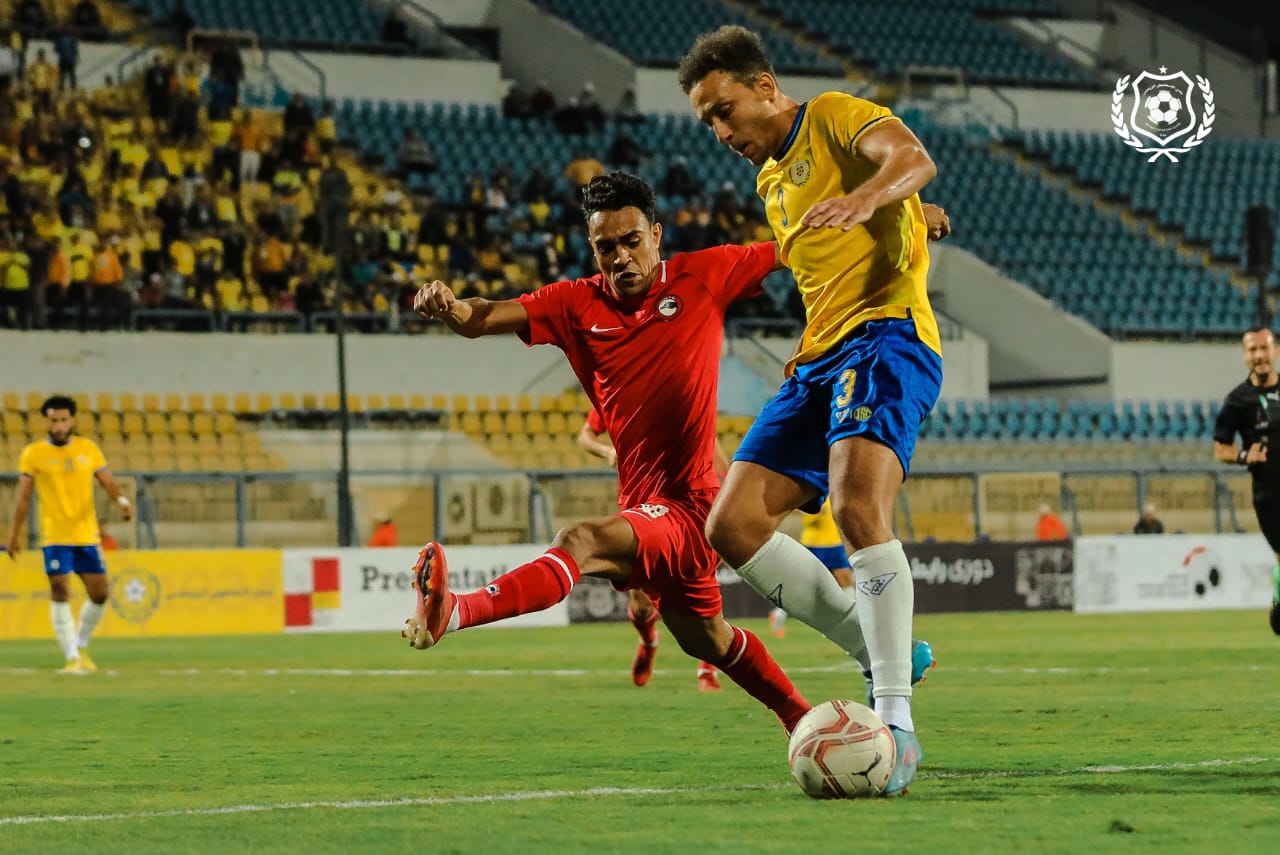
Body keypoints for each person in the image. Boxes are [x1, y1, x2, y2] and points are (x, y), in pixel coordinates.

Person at [405, 172, 812, 735]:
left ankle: (456, 611)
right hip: (643, 506)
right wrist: (451, 308)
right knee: (708, 639)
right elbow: (487, 315)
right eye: (605, 247)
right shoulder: (575, 303)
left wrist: (903, 214)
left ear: (656, 235)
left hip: (695, 506)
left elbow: (800, 243)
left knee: (579, 541)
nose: (620, 257)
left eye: (631, 241)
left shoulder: (705, 273)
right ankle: (804, 719)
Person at [679, 24, 945, 795]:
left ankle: (895, 722)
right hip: (818, 357)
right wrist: (912, 216)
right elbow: (837, 260)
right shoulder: (770, 181)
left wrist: (870, 198)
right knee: (731, 524)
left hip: (886, 336)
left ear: (765, 88)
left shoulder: (830, 114)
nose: (720, 131)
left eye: (724, 110)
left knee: (859, 507)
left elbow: (913, 159)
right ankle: (876, 645)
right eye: (707, 121)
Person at [577, 406, 725, 691]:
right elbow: (585, 436)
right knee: (641, 602)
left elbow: (707, 436)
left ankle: (708, 670)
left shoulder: (676, 393)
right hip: (639, 500)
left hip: (685, 498)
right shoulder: (615, 396)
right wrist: (607, 452)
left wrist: (726, 478)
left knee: (701, 577)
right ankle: (648, 639)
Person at [6, 395, 134, 673]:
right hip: (55, 536)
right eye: (54, 421)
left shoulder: (89, 449)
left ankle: (81, 645)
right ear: (47, 422)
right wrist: (14, 535)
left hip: (86, 535)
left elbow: (108, 482)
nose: (59, 426)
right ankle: (72, 656)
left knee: (100, 594)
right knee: (60, 588)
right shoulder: (33, 454)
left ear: (73, 420)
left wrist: (122, 502)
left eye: (64, 420)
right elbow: (24, 497)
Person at [1213, 326, 1280, 635]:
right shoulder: (1237, 401)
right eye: (1253, 350)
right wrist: (1243, 456)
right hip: (1270, 494)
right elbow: (1220, 449)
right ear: (1245, 356)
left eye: (1264, 348)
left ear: (1275, 351)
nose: (1259, 355)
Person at [767, 498, 852, 639]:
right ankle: (779, 614)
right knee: (802, 586)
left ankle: (849, 623)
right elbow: (807, 515)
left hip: (834, 544)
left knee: (846, 581)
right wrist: (817, 513)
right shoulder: (812, 494)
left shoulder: (831, 491)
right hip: (815, 545)